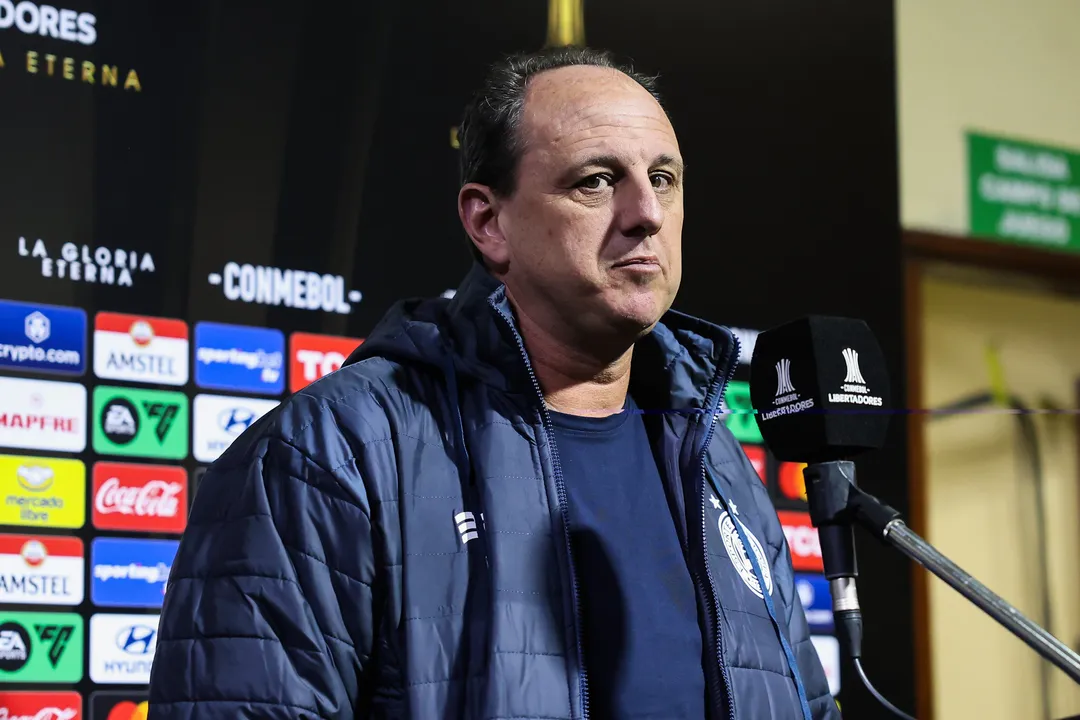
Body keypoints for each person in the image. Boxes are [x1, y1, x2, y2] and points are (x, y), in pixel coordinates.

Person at [149, 46, 839, 720]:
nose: (645, 214)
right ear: (489, 221)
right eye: (595, 180)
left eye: (663, 178)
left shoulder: (715, 458)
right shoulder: (330, 452)